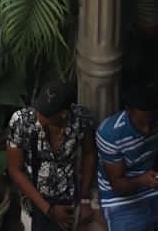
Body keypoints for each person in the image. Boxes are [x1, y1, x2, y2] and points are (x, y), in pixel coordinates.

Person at [7, 81, 96, 231]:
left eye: (45, 114)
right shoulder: (21, 121)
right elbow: (14, 169)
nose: (38, 116)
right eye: (38, 109)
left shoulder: (81, 119)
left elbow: (89, 154)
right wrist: (49, 210)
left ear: (63, 114)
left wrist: (84, 197)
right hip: (34, 198)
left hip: (69, 196)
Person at [96, 84, 158, 231]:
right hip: (119, 198)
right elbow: (117, 186)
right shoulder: (109, 133)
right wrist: (142, 181)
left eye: (151, 123)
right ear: (128, 111)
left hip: (153, 187)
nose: (147, 130)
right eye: (141, 123)